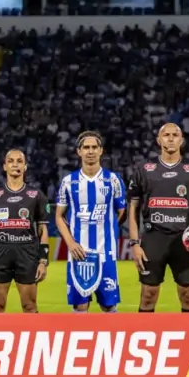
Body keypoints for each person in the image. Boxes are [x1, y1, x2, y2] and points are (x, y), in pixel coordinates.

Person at [127, 123, 189, 313]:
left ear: (182, 141)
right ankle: (145, 340)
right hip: (153, 239)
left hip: (185, 240)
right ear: (159, 140)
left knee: (188, 295)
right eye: (166, 135)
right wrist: (134, 243)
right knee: (149, 294)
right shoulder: (144, 169)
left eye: (175, 134)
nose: (171, 138)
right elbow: (133, 208)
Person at [55, 131, 126, 313]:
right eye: (86, 147)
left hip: (106, 252)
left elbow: (122, 212)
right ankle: (81, 341)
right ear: (79, 151)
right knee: (80, 305)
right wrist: (70, 243)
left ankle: (110, 341)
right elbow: (58, 215)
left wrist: (108, 230)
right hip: (79, 252)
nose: (90, 151)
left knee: (108, 304)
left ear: (101, 150)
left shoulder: (113, 180)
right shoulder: (68, 182)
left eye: (94, 147)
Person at [0, 149, 49, 313]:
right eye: (11, 161)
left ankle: (32, 339)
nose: (15, 164)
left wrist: (43, 261)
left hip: (28, 253)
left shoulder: (36, 195)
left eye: (19, 161)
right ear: (4, 166)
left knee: (30, 306)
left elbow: (42, 229)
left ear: (25, 167)